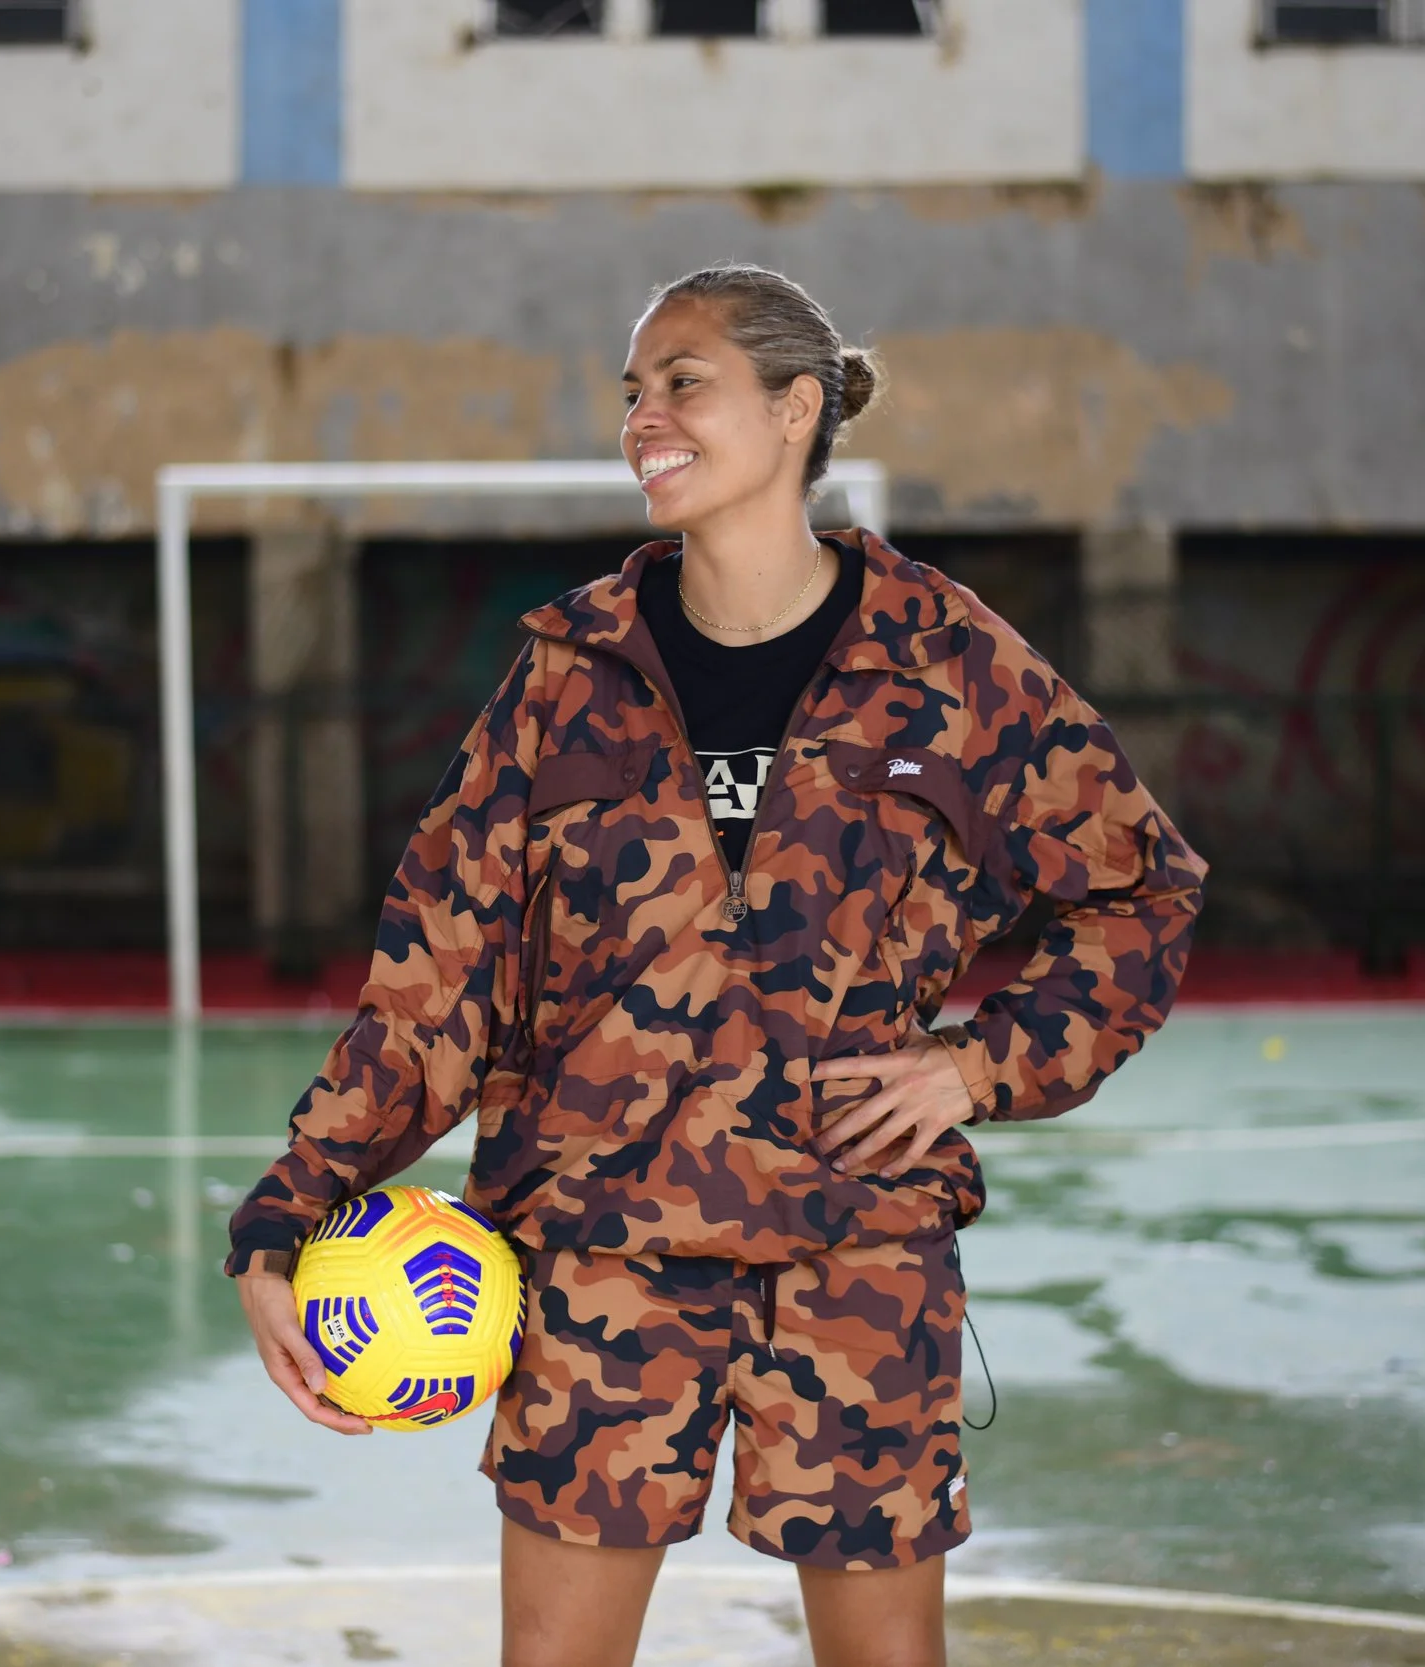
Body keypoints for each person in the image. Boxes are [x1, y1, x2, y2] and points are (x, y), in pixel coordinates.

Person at [228, 264, 1205, 1667]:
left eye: (684, 382)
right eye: (633, 392)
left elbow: (1141, 889)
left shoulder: (946, 661)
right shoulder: (570, 671)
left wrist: (976, 1067)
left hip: (858, 1252)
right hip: (600, 1259)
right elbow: (439, 975)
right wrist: (287, 1211)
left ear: (797, 408)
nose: (645, 418)